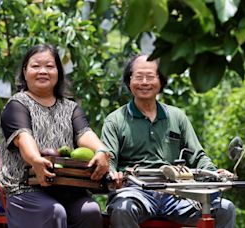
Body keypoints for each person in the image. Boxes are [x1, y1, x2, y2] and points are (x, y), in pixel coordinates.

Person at [101, 54, 236, 228]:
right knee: (122, 209)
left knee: (225, 208)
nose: (144, 82)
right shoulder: (115, 120)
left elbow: (198, 156)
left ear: (161, 81)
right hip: (135, 192)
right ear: (129, 81)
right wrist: (113, 174)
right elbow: (108, 159)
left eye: (150, 77)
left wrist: (214, 173)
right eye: (138, 77)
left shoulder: (177, 117)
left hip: (176, 194)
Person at [0, 44, 110, 228]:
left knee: (90, 211)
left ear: (58, 72)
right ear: (25, 72)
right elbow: (23, 137)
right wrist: (35, 159)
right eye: (35, 66)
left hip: (68, 187)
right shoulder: (17, 104)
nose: (43, 71)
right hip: (25, 188)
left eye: (49, 66)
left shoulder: (70, 107)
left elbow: (85, 133)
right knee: (54, 211)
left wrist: (102, 150)